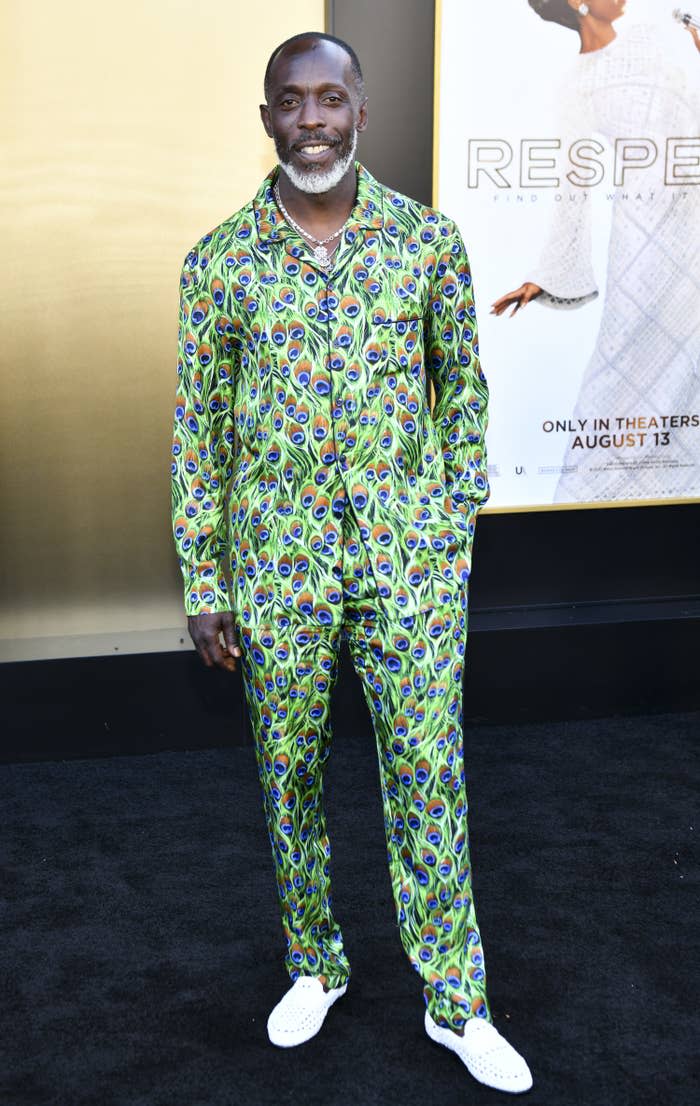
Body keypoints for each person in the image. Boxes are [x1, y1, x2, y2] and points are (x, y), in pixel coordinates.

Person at [171, 31, 532, 1094]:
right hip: (274, 565)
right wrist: (206, 580)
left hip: (407, 564)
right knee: (289, 772)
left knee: (429, 772)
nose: (314, 120)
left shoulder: (428, 244)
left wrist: (448, 525)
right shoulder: (218, 262)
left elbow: (460, 392)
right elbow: (200, 431)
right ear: (268, 119)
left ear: (361, 114)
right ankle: (315, 963)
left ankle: (457, 1001)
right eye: (293, 102)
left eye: (332, 99)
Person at [491, 0, 700, 504]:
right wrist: (546, 273)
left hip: (696, 226)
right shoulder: (576, 84)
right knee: (621, 373)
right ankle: (584, 510)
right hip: (643, 250)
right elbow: (573, 183)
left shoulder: (662, 32)